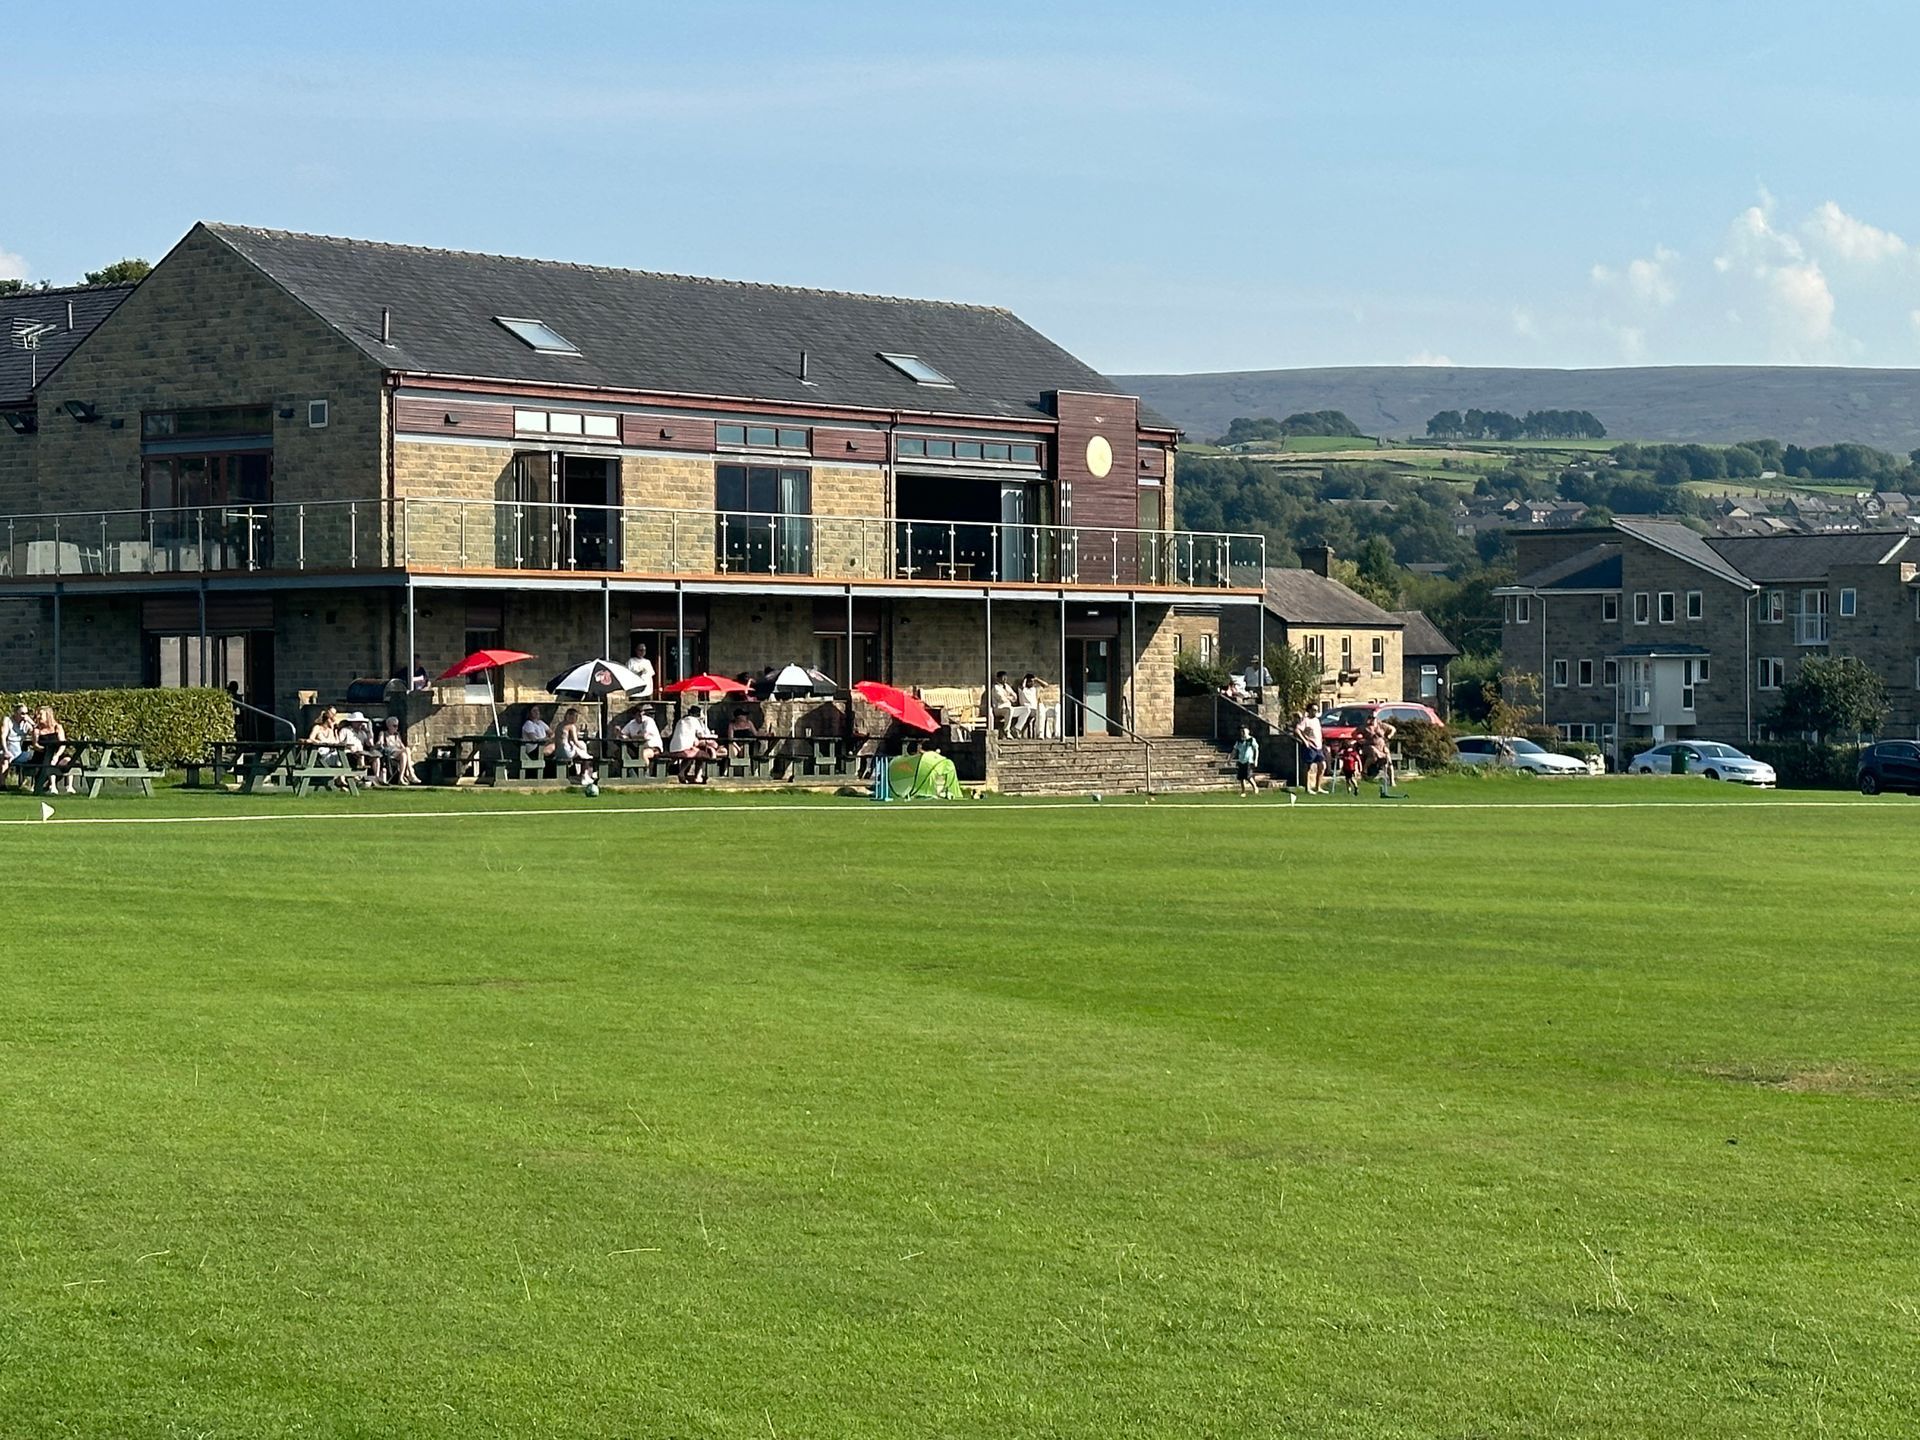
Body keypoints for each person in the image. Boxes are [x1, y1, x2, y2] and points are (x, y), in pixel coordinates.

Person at [668, 704, 720, 784]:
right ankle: (695, 775)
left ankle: (689, 774)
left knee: (694, 752)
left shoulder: (681, 720)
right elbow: (701, 735)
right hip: (685, 749)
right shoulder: (694, 721)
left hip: (673, 748)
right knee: (704, 755)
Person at [31, 705, 74, 793]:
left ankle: (69, 786)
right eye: (38, 714)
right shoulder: (37, 730)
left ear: (48, 715)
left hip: (57, 753)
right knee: (49, 761)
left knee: (68, 760)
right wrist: (44, 750)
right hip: (42, 754)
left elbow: (63, 744)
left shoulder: (57, 727)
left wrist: (57, 755)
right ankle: (53, 786)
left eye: (40, 714)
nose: (38, 716)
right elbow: (35, 745)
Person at [556, 706, 598, 788]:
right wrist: (584, 750)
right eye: (575, 716)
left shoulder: (559, 725)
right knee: (586, 756)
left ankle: (582, 775)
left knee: (581, 751)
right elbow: (576, 742)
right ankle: (584, 776)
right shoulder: (571, 726)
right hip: (566, 752)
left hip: (558, 752)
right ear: (569, 716)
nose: (576, 719)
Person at [1293, 707, 1328, 795]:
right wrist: (1305, 741)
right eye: (1314, 710)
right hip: (1310, 747)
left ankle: (1318, 787)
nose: (1315, 712)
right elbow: (1297, 730)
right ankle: (1307, 788)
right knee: (1308, 767)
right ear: (1309, 711)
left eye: (1316, 710)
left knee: (1322, 765)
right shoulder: (1305, 720)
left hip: (1318, 747)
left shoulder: (1316, 720)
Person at [1364, 713, 1399, 797]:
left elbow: (1393, 729)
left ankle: (1391, 781)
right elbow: (1355, 733)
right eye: (1370, 718)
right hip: (1370, 747)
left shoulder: (1381, 725)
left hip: (1382, 747)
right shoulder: (1365, 727)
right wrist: (1360, 740)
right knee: (1374, 752)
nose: (1371, 720)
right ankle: (1364, 771)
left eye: (1373, 718)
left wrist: (1390, 735)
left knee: (1388, 759)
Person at [378, 715, 420, 785]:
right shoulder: (383, 733)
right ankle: (411, 773)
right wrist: (380, 742)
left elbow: (403, 747)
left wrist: (411, 749)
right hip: (389, 753)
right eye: (394, 726)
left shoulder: (397, 735)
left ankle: (400, 778)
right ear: (388, 726)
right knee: (406, 750)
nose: (396, 728)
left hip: (397, 753)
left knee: (404, 755)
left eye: (397, 726)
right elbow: (380, 742)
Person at [1, 702, 31, 783]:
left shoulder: (26, 724)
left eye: (26, 713)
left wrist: (31, 722)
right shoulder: (8, 720)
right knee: (5, 760)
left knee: (34, 757)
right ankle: (2, 784)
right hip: (8, 748)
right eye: (22, 713)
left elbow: (36, 732)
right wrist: (5, 751)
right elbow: (3, 736)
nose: (24, 716)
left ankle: (29, 783)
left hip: (19, 752)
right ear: (16, 713)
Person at [1231, 725, 1261, 797]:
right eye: (1241, 731)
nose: (1242, 732)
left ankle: (1255, 787)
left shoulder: (1251, 740)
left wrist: (1256, 759)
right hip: (1241, 760)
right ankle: (1243, 791)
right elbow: (1234, 750)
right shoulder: (1239, 741)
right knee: (1241, 777)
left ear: (1248, 731)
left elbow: (1256, 749)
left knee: (1248, 776)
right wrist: (1230, 759)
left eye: (1244, 730)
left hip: (1248, 760)